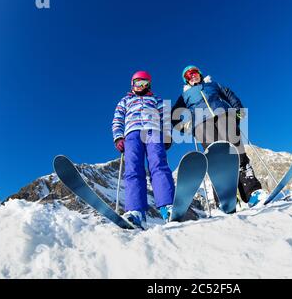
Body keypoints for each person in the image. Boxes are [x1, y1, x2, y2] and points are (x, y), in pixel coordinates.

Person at [171, 65, 265, 207]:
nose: (192, 76)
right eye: (188, 76)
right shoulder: (185, 95)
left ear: (200, 74)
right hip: (201, 125)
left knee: (237, 151)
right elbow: (174, 115)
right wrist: (185, 127)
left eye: (194, 73)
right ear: (186, 81)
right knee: (216, 158)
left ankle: (252, 192)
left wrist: (238, 110)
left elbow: (229, 94)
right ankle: (225, 199)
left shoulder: (212, 84)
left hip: (224, 116)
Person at [112, 71, 174, 229]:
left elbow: (165, 118)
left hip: (153, 131)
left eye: (145, 83)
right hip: (132, 134)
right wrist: (119, 137)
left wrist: (167, 135)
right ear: (132, 85)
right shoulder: (125, 100)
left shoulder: (156, 99)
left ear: (149, 85)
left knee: (158, 164)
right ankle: (136, 212)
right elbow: (118, 119)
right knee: (133, 169)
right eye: (138, 83)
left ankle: (168, 207)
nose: (141, 86)